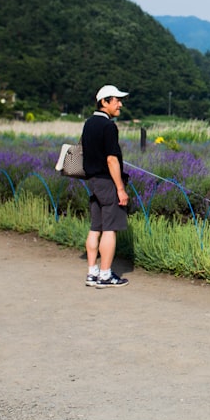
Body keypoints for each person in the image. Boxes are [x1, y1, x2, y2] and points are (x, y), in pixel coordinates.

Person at [82, 84, 130, 288]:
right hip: (106, 182)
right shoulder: (109, 126)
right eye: (116, 100)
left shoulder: (89, 123)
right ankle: (105, 275)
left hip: (92, 181)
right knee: (110, 228)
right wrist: (120, 188)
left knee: (96, 227)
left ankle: (92, 272)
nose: (120, 104)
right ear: (104, 102)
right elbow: (111, 160)